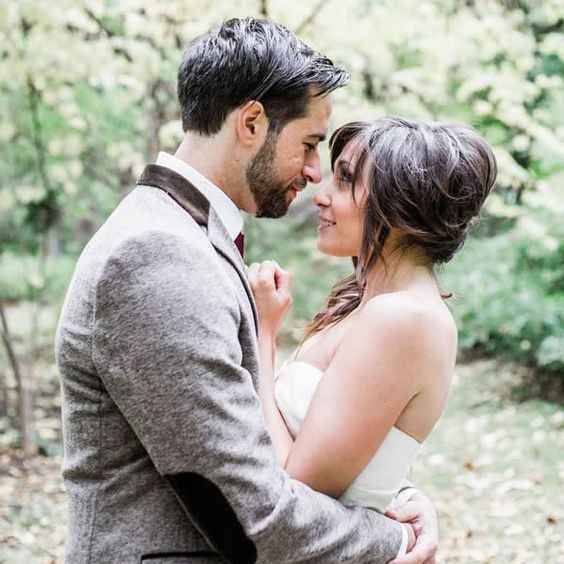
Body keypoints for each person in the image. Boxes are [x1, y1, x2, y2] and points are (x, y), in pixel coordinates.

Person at [55, 19, 438, 564]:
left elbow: (254, 439)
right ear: (252, 123)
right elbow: (250, 514)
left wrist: (390, 496)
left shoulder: (186, 234)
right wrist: (391, 538)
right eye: (309, 144)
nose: (313, 172)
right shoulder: (155, 255)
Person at [249, 117, 497, 531]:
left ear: (402, 205)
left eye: (345, 181)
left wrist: (263, 335)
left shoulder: (404, 318)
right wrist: (406, 494)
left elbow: (293, 493)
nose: (321, 195)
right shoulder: (369, 305)